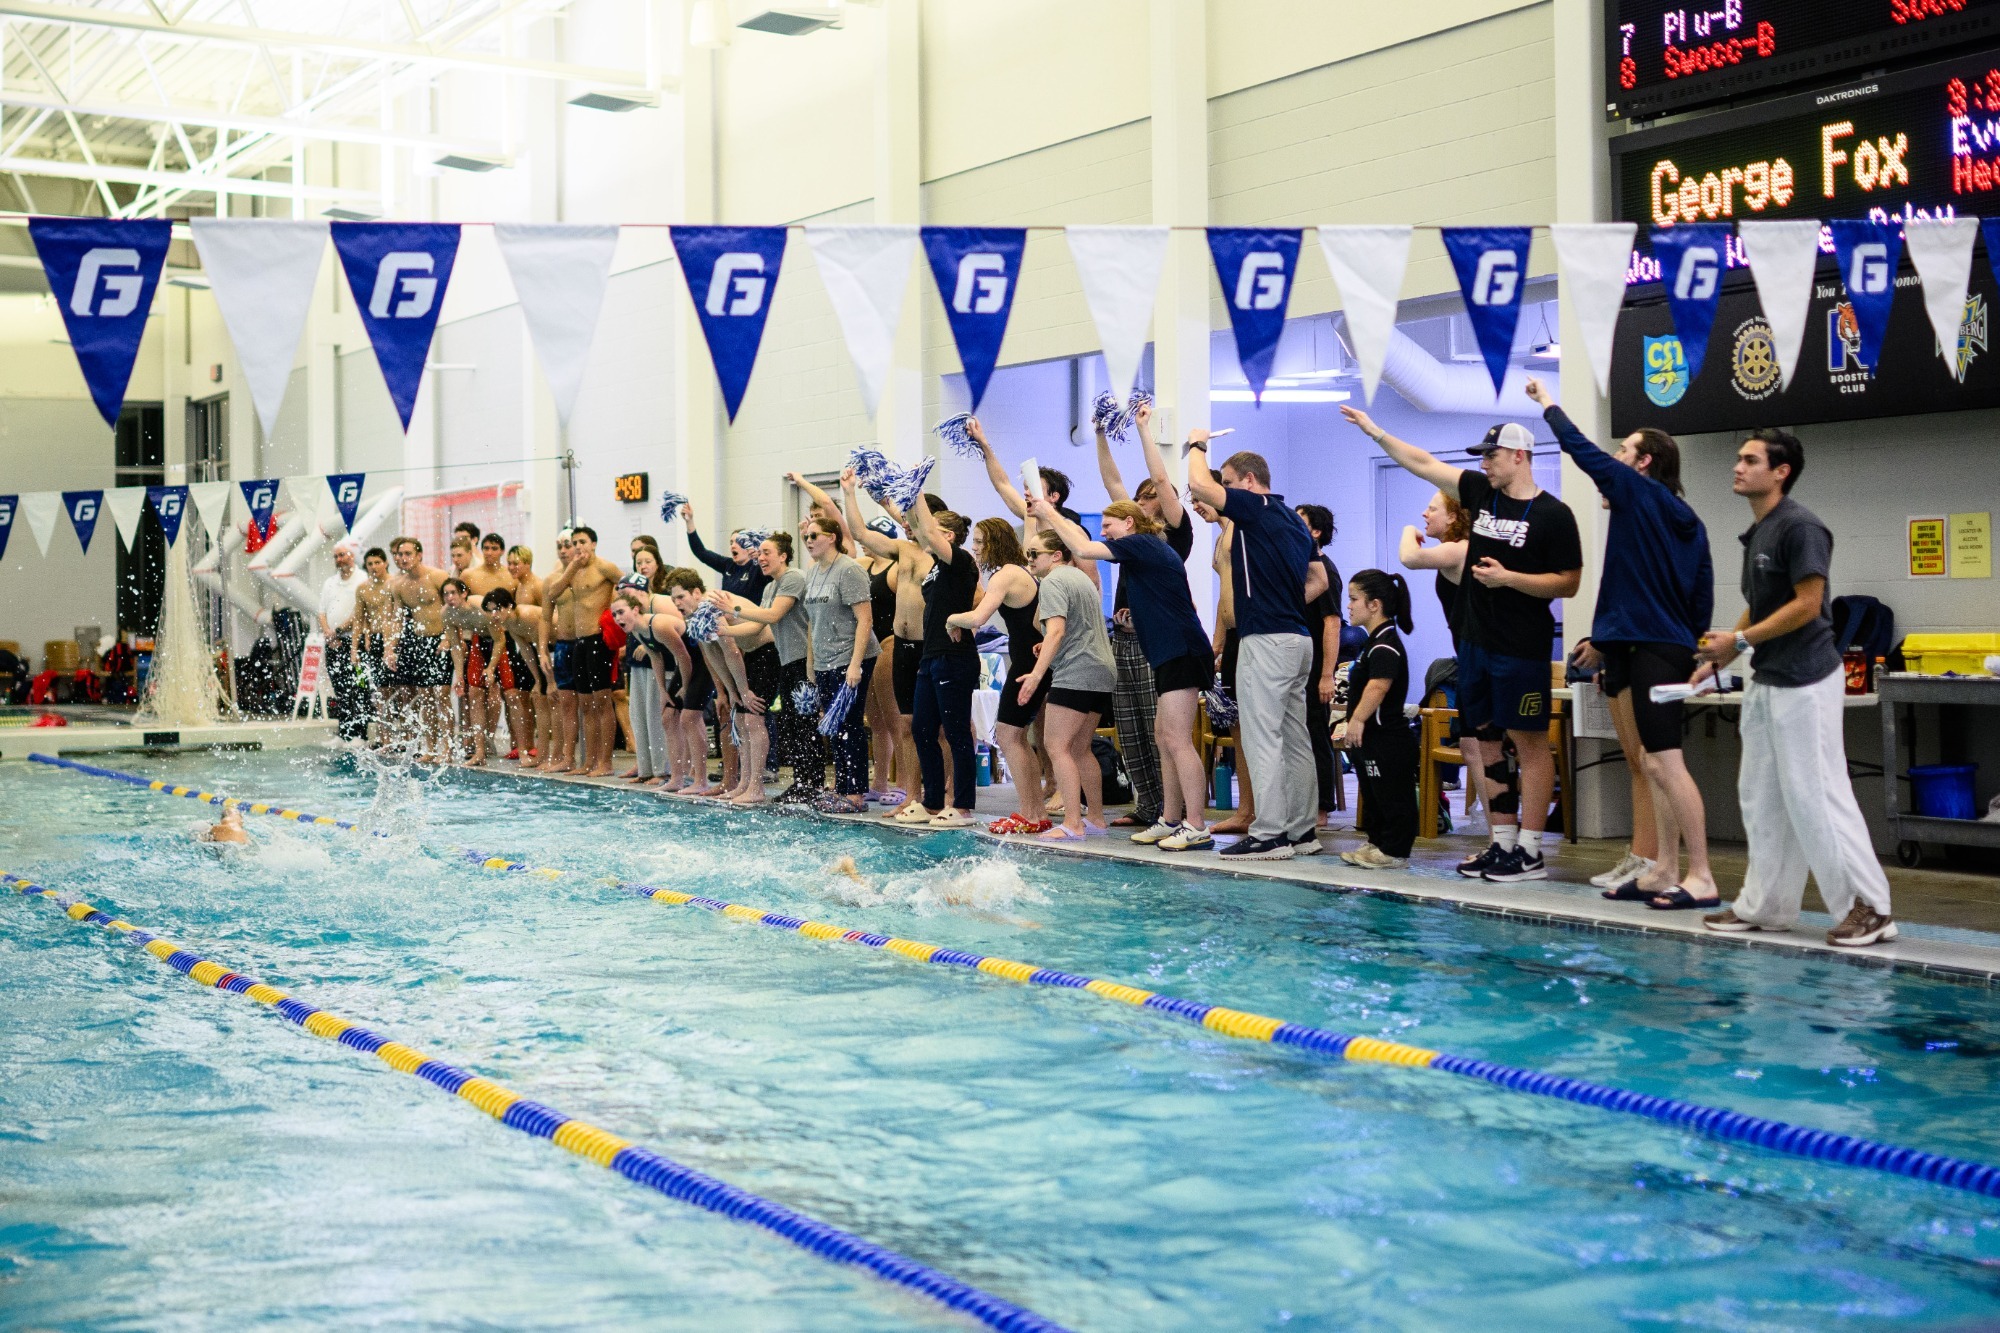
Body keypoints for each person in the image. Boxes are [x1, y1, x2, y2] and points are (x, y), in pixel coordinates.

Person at [1343, 405, 1582, 883]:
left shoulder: (1554, 515)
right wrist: (1376, 432)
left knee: (1529, 745)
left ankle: (1531, 851)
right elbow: (1425, 462)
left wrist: (1509, 578)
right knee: (1486, 743)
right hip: (1475, 646)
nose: (1483, 464)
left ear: (1520, 456)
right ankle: (1503, 843)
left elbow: (1569, 583)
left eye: (1491, 456)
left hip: (1521, 648)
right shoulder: (1479, 495)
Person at [1694, 430, 1897, 947]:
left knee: (1818, 796)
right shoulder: (1759, 530)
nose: (1737, 467)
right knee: (1760, 796)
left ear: (1780, 471)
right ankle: (1767, 906)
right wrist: (1727, 651)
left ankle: (1869, 907)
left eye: (1749, 459)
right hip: (1769, 678)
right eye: (1738, 458)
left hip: (1807, 680)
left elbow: (1808, 604)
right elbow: (1763, 608)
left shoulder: (1801, 527)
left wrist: (1740, 638)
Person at [1524, 378, 1720, 909]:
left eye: (1624, 450)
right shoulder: (1689, 522)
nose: (1615, 456)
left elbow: (1580, 451)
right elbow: (1701, 594)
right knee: (1654, 763)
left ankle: (1701, 874)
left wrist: (1548, 404)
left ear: (1644, 463)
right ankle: (1665, 869)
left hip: (1654, 648)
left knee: (1667, 760)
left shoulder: (1638, 491)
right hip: (1650, 644)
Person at [1036, 497, 1214, 852]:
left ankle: (1196, 824)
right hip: (1169, 651)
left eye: (1108, 526)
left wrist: (1047, 513)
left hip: (1183, 650)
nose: (1104, 533)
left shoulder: (1143, 544)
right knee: (1164, 737)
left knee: (1176, 739)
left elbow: (1082, 547)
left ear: (1129, 523)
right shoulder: (1144, 553)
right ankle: (1170, 818)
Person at [1185, 437, 1327, 860]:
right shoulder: (1291, 520)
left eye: (1228, 483)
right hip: (1297, 638)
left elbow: (1198, 483)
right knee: (1294, 736)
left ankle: (1270, 834)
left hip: (1266, 639)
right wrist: (1282, 602)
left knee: (1263, 737)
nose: (1224, 491)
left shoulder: (1257, 506)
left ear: (1249, 481)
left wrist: (1195, 444)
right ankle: (1302, 832)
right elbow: (1318, 580)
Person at [1093, 401, 1195, 832]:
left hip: (1162, 640)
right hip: (1127, 637)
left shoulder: (1173, 531)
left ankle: (1180, 815)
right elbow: (1113, 479)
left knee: (1167, 734)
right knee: (1135, 730)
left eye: (1149, 496)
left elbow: (1159, 479)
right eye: (1137, 499)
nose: (1140, 501)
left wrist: (1142, 429)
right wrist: (1099, 433)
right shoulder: (1132, 530)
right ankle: (1150, 805)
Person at [846, 471, 954, 820]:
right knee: (906, 726)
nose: (907, 524)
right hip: (904, 649)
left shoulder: (949, 559)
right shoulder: (904, 550)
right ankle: (913, 796)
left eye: (912, 518)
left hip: (933, 649)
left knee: (940, 729)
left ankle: (948, 794)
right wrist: (848, 493)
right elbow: (861, 534)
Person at [947, 518, 1050, 835]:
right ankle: (1034, 812)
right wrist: (1029, 510)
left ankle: (1031, 814)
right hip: (1028, 663)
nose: (974, 548)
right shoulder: (1019, 571)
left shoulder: (1006, 575)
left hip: (1026, 668)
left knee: (1008, 736)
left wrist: (950, 619)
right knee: (1016, 737)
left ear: (995, 543)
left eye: (979, 542)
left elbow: (978, 616)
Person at [1016, 528, 1117, 840]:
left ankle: (1073, 822)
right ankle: (1096, 818)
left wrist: (1035, 674)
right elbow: (1072, 628)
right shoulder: (1081, 578)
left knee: (1056, 746)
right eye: (1027, 554)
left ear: (1056, 555)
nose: (1029, 560)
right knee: (1080, 748)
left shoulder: (1054, 580)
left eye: (1034, 554)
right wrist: (1047, 645)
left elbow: (1056, 631)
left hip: (1077, 671)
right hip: (1102, 670)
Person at [892, 491, 982, 828]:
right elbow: (918, 527)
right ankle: (930, 801)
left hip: (954, 657)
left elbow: (925, 529)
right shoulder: (933, 567)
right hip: (930, 657)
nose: (919, 533)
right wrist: (902, 498)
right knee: (922, 728)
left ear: (948, 536)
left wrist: (915, 492)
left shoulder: (959, 561)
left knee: (956, 731)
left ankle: (962, 805)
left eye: (932, 530)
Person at [715, 532, 817, 804]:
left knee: (805, 725)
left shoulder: (793, 578)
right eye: (758, 553)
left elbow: (773, 615)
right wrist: (726, 630)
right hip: (787, 660)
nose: (760, 558)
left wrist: (734, 609)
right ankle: (801, 783)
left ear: (783, 555)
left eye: (766, 552)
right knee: (792, 725)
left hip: (805, 660)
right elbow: (760, 624)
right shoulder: (770, 588)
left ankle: (812, 785)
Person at [1335, 571, 1419, 869]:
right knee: (1374, 795)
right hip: (1373, 738)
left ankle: (1394, 850)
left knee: (1393, 796)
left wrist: (1356, 720)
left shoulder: (1386, 643)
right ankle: (1377, 842)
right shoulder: (1374, 642)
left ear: (1374, 605)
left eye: (1354, 599)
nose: (1349, 606)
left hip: (1388, 738)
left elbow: (1379, 686)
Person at [800, 516, 880, 813]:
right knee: (832, 726)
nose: (808, 541)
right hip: (824, 660)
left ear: (832, 537)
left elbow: (865, 619)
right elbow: (812, 621)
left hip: (850, 657)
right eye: (806, 536)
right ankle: (842, 786)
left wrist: (855, 665)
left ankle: (856, 793)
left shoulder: (849, 570)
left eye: (814, 535)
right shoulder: (813, 572)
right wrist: (812, 662)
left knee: (849, 724)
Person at [965, 417, 1099, 586]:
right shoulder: (1031, 518)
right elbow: (1002, 484)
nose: (1026, 493)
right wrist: (983, 443)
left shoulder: (1072, 531)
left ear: (1054, 497)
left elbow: (1092, 581)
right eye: (1025, 487)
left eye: (1033, 488)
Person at [543, 525, 624, 777]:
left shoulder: (605, 568)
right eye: (574, 542)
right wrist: (571, 568)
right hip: (578, 644)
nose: (578, 547)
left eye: (583, 542)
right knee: (586, 704)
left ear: (594, 544)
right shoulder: (573, 572)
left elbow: (632, 590)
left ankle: (606, 762)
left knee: (602, 703)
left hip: (598, 641)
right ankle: (589, 761)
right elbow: (553, 593)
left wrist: (622, 629)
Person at [383, 536, 451, 764]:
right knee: (426, 698)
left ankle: (448, 748)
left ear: (419, 555)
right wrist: (389, 649)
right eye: (400, 555)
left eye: (408, 554)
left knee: (442, 695)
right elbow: (398, 619)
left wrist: (449, 637)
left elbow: (453, 607)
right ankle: (430, 748)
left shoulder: (438, 576)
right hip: (419, 643)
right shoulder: (398, 585)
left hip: (441, 640)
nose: (403, 559)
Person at [1296, 502, 1344, 824]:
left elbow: (1332, 623)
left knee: (1316, 731)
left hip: (1316, 668)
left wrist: (1327, 675)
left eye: (1298, 522)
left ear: (1315, 532)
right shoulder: (1300, 568)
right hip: (1296, 663)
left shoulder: (1325, 571)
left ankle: (1322, 807)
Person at [481, 588, 552, 768]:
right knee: (540, 699)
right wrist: (537, 679)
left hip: (555, 648)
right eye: (490, 611)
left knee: (554, 701)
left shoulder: (526, 615)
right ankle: (544, 755)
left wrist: (549, 681)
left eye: (497, 609)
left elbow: (541, 648)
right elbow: (527, 651)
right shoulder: (510, 624)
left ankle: (555, 756)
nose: (494, 615)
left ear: (510, 606)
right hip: (545, 652)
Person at [319, 540, 369, 742]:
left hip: (355, 643)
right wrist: (329, 634)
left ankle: (361, 733)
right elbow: (321, 612)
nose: (340, 560)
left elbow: (360, 613)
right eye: (337, 556)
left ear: (353, 556)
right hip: (333, 644)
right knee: (340, 688)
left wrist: (338, 631)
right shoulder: (330, 582)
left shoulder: (363, 579)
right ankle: (345, 733)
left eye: (343, 555)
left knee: (360, 686)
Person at [350, 546, 395, 744]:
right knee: (379, 692)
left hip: (395, 642)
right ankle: (385, 738)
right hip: (375, 642)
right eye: (370, 564)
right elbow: (359, 620)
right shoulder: (363, 588)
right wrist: (354, 648)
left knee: (400, 691)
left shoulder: (395, 585)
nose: (374, 566)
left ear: (386, 563)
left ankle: (405, 738)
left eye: (378, 562)